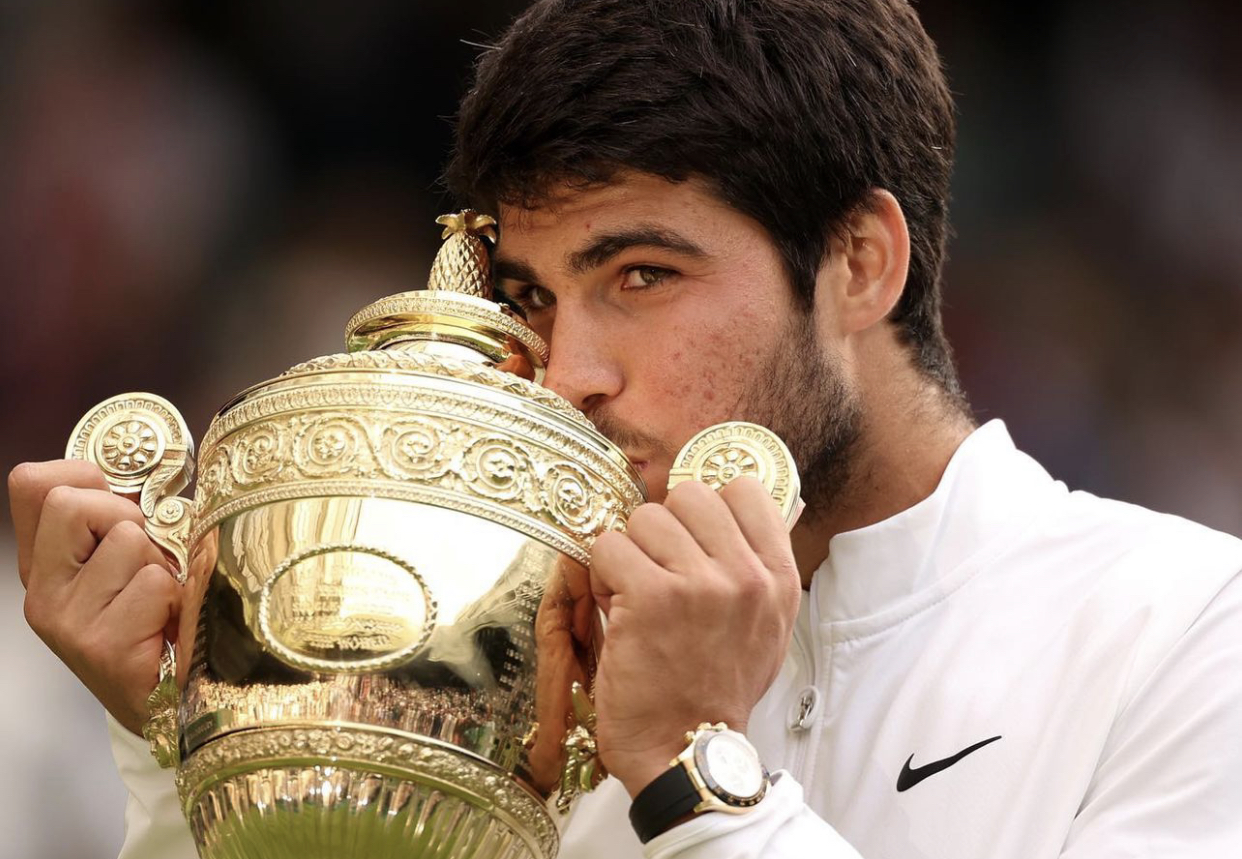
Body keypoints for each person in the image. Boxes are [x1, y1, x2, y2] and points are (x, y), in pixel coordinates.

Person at [10, 1, 1242, 857]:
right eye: (535, 298)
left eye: (643, 274)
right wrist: (192, 736)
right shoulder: (518, 656)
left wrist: (697, 776)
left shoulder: (1182, 628)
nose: (573, 374)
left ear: (860, 264)